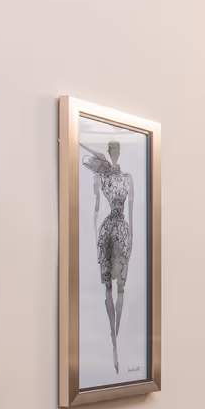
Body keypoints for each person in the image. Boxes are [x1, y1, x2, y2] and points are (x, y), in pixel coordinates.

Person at [80, 139, 135, 376]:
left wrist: (131, 240)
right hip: (107, 231)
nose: (114, 154)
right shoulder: (102, 176)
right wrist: (96, 239)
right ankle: (113, 342)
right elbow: (95, 209)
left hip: (121, 230)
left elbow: (131, 212)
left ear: (119, 152)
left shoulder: (127, 177)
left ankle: (117, 340)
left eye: (116, 150)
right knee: (108, 287)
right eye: (111, 150)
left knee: (120, 286)